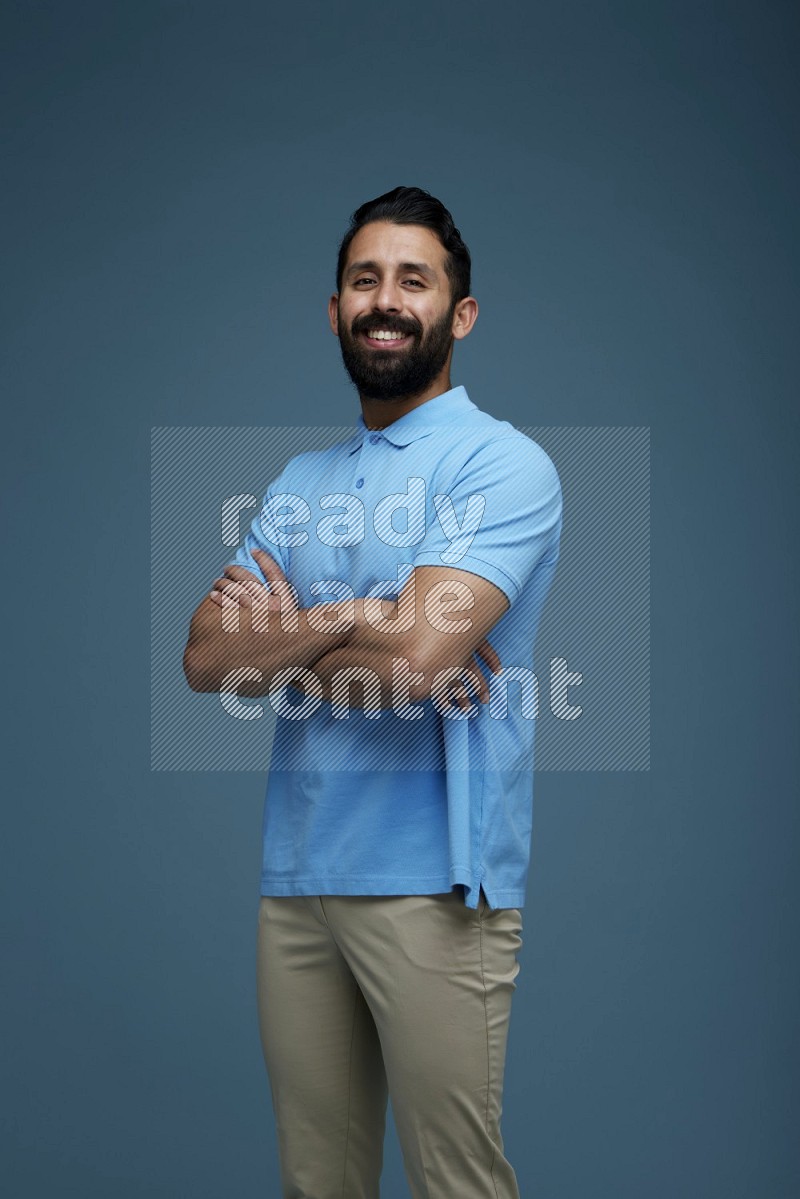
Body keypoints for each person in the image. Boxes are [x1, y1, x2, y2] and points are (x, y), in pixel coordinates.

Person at [183, 186, 562, 1199]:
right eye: (363, 279)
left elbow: (413, 671)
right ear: (335, 308)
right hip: (298, 879)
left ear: (459, 312)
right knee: (317, 1181)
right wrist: (354, 612)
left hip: (435, 884)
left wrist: (290, 638)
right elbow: (206, 659)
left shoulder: (501, 463)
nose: (383, 299)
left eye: (412, 278)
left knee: (455, 1183)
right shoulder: (299, 479)